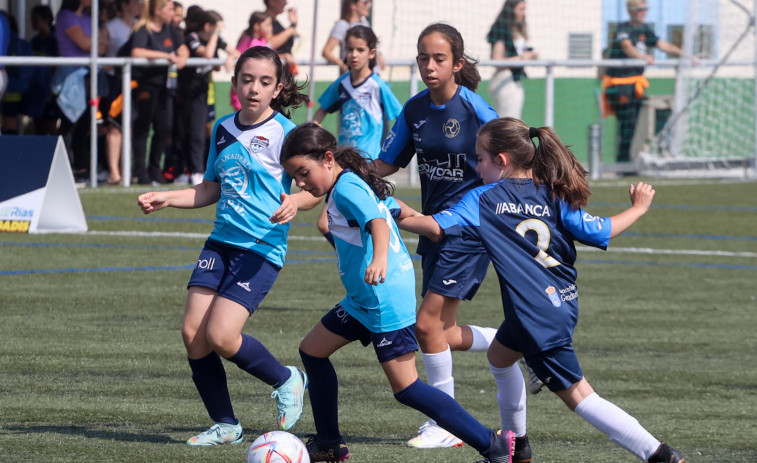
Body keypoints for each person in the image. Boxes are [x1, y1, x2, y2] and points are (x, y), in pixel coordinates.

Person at [400, 117, 687, 463]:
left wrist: (385, 209)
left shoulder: (485, 198)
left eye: (481, 158)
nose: (477, 166)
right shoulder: (552, 192)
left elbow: (433, 226)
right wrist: (639, 208)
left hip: (535, 314)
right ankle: (515, 448)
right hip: (558, 303)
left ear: (502, 160)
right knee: (500, 358)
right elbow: (601, 231)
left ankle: (660, 455)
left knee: (580, 396)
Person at [280, 122, 516, 463]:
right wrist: (424, 223)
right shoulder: (346, 183)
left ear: (328, 159)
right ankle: (330, 443)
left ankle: (491, 443)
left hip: (382, 299)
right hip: (363, 300)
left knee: (407, 389)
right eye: (295, 177)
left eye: (303, 173)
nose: (301, 183)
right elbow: (390, 208)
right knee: (312, 352)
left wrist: (378, 259)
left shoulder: (346, 188)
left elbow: (376, 223)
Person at [137, 46, 317, 446]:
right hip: (220, 244)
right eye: (247, 79)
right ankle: (226, 424)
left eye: (265, 82)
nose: (254, 88)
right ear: (234, 82)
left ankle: (286, 378)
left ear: (278, 88)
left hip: (260, 247)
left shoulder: (287, 134)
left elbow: (315, 188)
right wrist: (169, 197)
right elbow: (210, 188)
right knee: (192, 334)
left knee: (220, 335)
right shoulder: (222, 128)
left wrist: (295, 200)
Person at [372, 23, 506, 450]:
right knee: (441, 332)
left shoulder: (478, 112)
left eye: (439, 59)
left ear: (457, 64)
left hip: (466, 229)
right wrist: (342, 175)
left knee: (425, 323)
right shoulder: (414, 111)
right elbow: (387, 164)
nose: (429, 67)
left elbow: (516, 163)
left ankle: (446, 423)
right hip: (433, 228)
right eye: (423, 58)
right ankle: (519, 344)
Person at [313, 25, 402, 247]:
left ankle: (378, 255)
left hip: (367, 164)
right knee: (332, 223)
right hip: (342, 162)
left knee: (358, 219)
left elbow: (400, 118)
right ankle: (365, 253)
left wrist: (389, 152)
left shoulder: (377, 86)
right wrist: (313, 132)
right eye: (349, 49)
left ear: (372, 53)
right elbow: (322, 108)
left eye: (360, 49)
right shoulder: (342, 84)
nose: (353, 54)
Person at [603, 0, 698, 163]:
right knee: (626, 124)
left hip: (635, 86)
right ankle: (622, 162)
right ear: (631, 11)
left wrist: (687, 55)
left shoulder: (644, 29)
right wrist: (643, 58)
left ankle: (625, 162)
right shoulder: (623, 29)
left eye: (645, 9)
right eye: (640, 10)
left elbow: (663, 45)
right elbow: (627, 46)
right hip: (619, 85)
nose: (643, 12)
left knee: (631, 126)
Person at [176, 9, 239, 186]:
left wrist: (229, 58)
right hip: (185, 91)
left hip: (200, 92)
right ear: (208, 26)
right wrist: (215, 36)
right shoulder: (193, 37)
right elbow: (207, 54)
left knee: (198, 132)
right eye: (218, 28)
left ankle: (197, 170)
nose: (220, 33)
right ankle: (184, 170)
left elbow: (235, 51)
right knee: (182, 132)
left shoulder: (215, 39)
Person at [130, 0, 189, 185]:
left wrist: (182, 58)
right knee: (142, 129)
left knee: (164, 128)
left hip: (166, 88)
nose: (173, 13)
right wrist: (166, 56)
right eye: (170, 9)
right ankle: (141, 173)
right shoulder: (143, 28)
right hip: (146, 86)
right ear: (157, 10)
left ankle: (155, 170)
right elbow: (137, 52)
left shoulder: (170, 29)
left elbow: (183, 49)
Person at [54, 0, 108, 180]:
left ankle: (81, 167)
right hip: (72, 77)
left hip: (89, 74)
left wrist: (97, 40)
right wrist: (98, 38)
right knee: (70, 122)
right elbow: (84, 44)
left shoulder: (87, 18)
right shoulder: (66, 16)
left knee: (85, 123)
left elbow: (101, 47)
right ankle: (63, 166)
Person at [101, 0, 141, 184]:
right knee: (115, 127)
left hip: (137, 83)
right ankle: (114, 172)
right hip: (116, 83)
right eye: (135, 2)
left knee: (131, 129)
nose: (139, 5)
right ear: (124, 5)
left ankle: (127, 170)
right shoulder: (110, 27)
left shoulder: (141, 25)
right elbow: (101, 54)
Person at [486, 0, 538, 119]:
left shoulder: (516, 30)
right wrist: (521, 58)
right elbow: (496, 60)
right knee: (508, 123)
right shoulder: (501, 29)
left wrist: (530, 56)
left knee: (511, 121)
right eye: (521, 9)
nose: (523, 13)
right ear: (511, 9)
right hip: (505, 80)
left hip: (514, 80)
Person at [321, 0, 384, 75]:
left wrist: (378, 55)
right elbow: (326, 51)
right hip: (354, 77)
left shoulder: (365, 23)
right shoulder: (343, 25)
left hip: (372, 74)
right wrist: (342, 64)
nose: (369, 5)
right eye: (365, 2)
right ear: (353, 5)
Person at [27, 5, 60, 136]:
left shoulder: (54, 41)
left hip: (50, 90)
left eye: (36, 19)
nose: (33, 23)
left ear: (46, 20)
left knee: (52, 126)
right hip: (36, 89)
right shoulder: (34, 42)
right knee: (38, 126)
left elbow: (56, 66)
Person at [263, 0, 298, 74]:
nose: (286, 3)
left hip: (284, 74)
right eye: (283, 0)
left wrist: (293, 24)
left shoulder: (276, 22)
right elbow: (268, 45)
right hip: (271, 74)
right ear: (271, 1)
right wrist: (290, 30)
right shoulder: (263, 21)